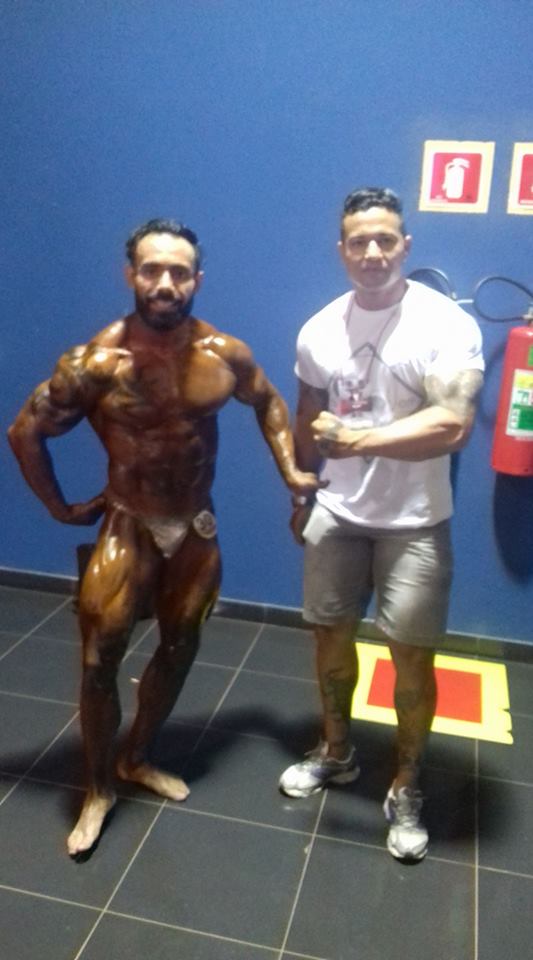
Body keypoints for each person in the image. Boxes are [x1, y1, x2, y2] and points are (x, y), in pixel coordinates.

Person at [8, 218, 320, 856]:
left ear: (197, 279)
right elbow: (24, 431)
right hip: (129, 522)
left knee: (180, 646)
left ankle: (136, 756)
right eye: (151, 269)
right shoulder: (95, 364)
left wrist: (289, 468)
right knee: (100, 658)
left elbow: (267, 402)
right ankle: (98, 788)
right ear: (131, 275)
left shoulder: (223, 353)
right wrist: (60, 509)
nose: (165, 283)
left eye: (179, 272)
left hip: (196, 525)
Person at [278, 188, 484, 861]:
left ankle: (406, 783)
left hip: (415, 522)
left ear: (405, 246)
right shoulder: (319, 329)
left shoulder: (445, 324)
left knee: (411, 658)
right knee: (330, 639)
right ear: (341, 250)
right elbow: (306, 412)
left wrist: (358, 442)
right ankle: (337, 751)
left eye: (385, 239)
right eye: (358, 241)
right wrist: (301, 486)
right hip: (337, 513)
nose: (372, 252)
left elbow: (452, 425)